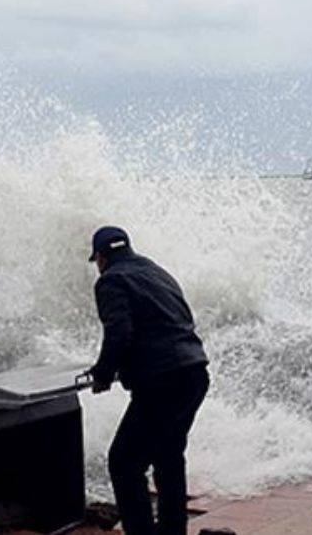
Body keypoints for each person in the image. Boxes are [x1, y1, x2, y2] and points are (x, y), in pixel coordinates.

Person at [84, 226, 210, 535]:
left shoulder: (110, 280)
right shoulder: (157, 272)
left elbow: (119, 332)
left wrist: (103, 374)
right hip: (194, 373)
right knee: (168, 456)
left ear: (101, 257)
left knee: (124, 462)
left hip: (163, 382)